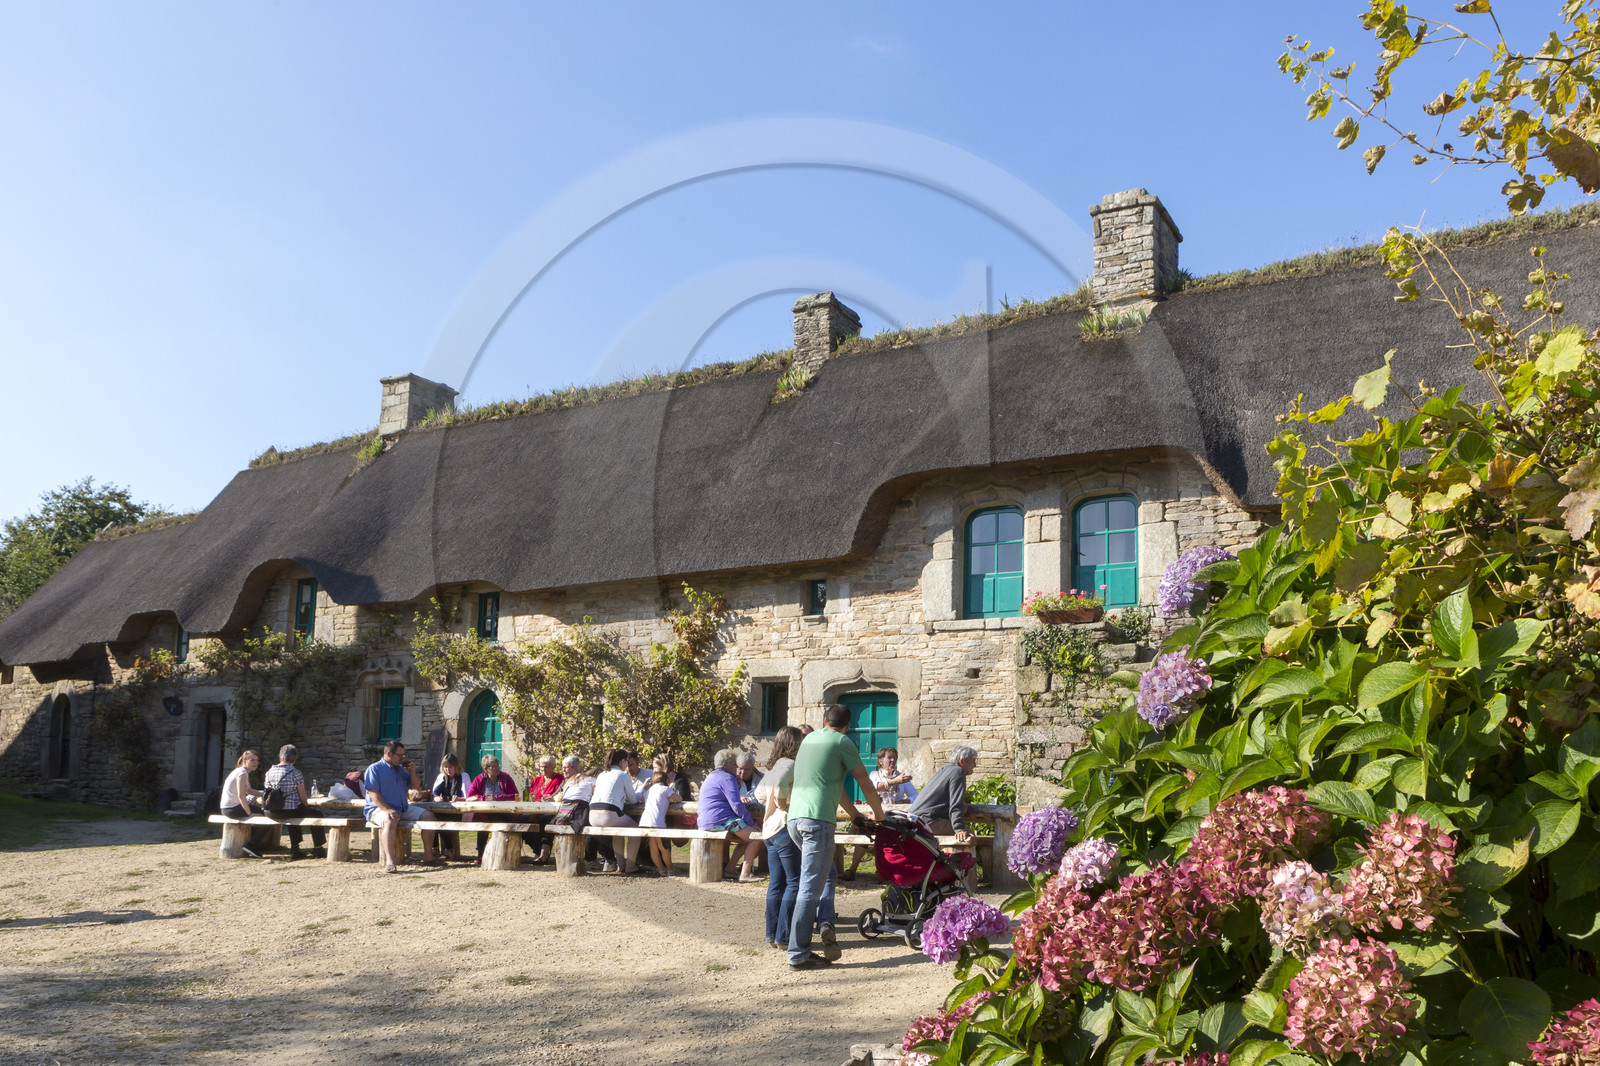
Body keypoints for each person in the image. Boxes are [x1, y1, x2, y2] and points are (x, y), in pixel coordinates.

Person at [783, 704, 884, 970]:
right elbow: (865, 782)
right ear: (847, 726)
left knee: (825, 876)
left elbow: (833, 786)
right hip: (817, 821)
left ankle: (825, 923)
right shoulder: (843, 741)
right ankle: (798, 953)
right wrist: (879, 815)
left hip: (794, 819)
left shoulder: (808, 740)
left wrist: (853, 815)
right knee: (809, 888)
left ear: (824, 720)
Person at [756, 726, 804, 949]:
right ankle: (784, 936)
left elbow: (758, 794)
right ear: (794, 744)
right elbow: (780, 786)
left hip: (770, 830)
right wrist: (783, 802)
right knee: (794, 882)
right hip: (784, 827)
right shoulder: (790, 765)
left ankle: (772, 933)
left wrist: (773, 801)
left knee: (777, 883)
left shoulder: (773, 767)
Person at [844, 746, 917, 879]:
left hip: (895, 820)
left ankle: (885, 871)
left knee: (895, 832)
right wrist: (895, 781)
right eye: (889, 757)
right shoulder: (874, 775)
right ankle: (852, 870)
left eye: (894, 757)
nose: (893, 760)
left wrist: (903, 803)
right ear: (880, 761)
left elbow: (915, 797)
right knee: (863, 830)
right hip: (877, 817)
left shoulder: (902, 777)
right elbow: (873, 787)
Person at [701, 749, 761, 882]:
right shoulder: (727, 777)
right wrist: (751, 823)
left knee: (747, 837)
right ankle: (745, 873)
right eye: (734, 764)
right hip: (722, 819)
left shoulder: (711, 776)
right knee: (756, 836)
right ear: (724, 765)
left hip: (707, 821)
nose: (736, 767)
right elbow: (737, 805)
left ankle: (730, 869)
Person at [364, 740, 424, 873]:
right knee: (390, 819)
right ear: (389, 753)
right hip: (377, 809)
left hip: (401, 808)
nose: (403, 758)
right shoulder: (374, 769)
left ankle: (429, 856)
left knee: (428, 815)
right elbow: (373, 793)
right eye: (400, 755)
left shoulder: (401, 770)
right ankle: (390, 861)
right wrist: (387, 809)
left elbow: (415, 786)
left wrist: (412, 772)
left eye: (404, 755)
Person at [263, 744, 325, 860]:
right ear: (295, 758)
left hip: (270, 811)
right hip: (289, 811)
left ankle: (295, 847)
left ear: (280, 757)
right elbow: (302, 797)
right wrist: (306, 804)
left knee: (293, 814)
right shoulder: (295, 773)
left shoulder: (269, 772)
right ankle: (318, 848)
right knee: (316, 814)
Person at [589, 748, 643, 873]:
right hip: (608, 814)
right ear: (623, 761)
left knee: (617, 833)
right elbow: (634, 799)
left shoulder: (602, 774)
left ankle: (621, 865)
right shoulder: (623, 775)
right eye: (627, 762)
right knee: (635, 831)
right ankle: (630, 865)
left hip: (592, 815)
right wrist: (643, 788)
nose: (628, 766)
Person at [908, 746, 978, 842]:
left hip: (915, 820)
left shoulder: (946, 769)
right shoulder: (958, 772)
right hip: (926, 821)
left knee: (964, 810)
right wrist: (959, 829)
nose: (975, 765)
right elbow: (956, 804)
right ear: (962, 762)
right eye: (973, 761)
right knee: (969, 835)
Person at [464, 755, 520, 862]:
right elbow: (470, 797)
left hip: (504, 812)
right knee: (483, 822)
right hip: (486, 812)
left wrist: (497, 798)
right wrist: (484, 798)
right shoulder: (479, 779)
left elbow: (515, 796)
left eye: (497, 765)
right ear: (486, 769)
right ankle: (481, 853)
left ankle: (504, 854)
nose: (497, 768)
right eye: (493, 766)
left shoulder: (506, 777)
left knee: (500, 821)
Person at [220, 749, 270, 858]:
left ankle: (251, 843)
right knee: (268, 817)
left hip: (230, 807)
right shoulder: (242, 773)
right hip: (232, 808)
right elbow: (241, 795)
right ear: (244, 761)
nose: (255, 762)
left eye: (256, 760)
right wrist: (249, 813)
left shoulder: (243, 772)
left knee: (264, 814)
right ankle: (251, 845)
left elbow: (249, 791)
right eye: (252, 760)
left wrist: (266, 793)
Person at [421, 752, 469, 863]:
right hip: (443, 810)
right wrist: (437, 798)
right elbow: (435, 793)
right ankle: (435, 847)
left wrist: (459, 799)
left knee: (443, 819)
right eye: (446, 767)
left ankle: (448, 849)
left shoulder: (463, 777)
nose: (448, 769)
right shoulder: (442, 777)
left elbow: (468, 796)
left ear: (456, 766)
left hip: (458, 812)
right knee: (432, 816)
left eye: (450, 767)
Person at [524, 755, 565, 863]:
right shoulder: (537, 780)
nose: (543, 769)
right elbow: (532, 796)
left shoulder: (559, 779)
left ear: (553, 767)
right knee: (520, 820)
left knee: (541, 822)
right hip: (535, 810)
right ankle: (537, 850)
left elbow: (559, 797)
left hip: (551, 811)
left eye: (546, 767)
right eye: (541, 767)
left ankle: (540, 854)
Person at [639, 770, 677, 876]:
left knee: (653, 847)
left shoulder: (649, 790)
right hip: (658, 822)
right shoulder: (666, 789)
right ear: (666, 780)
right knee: (663, 848)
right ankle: (670, 869)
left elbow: (642, 798)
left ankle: (661, 869)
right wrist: (673, 791)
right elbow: (679, 799)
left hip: (645, 821)